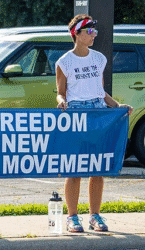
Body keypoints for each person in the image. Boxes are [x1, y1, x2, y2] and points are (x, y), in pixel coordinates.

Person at [56, 14, 133, 233]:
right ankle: (72, 217)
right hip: (77, 113)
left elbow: (100, 91)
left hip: (98, 111)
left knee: (97, 168)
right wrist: (62, 103)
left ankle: (95, 215)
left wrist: (117, 106)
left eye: (94, 32)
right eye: (89, 32)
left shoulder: (99, 58)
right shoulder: (64, 62)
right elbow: (61, 93)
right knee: (75, 168)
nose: (93, 36)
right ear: (76, 34)